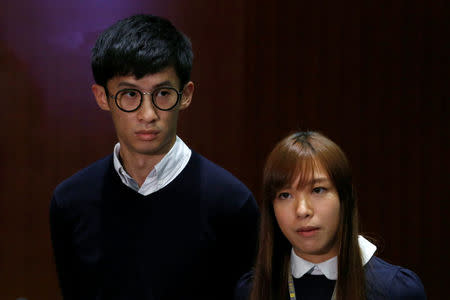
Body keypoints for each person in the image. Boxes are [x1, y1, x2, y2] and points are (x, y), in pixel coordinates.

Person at [49, 14, 259, 300]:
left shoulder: (232, 203)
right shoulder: (71, 202)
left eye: (162, 93)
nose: (148, 115)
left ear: (185, 95)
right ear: (102, 97)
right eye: (129, 95)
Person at [234, 131, 426, 300]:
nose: (302, 210)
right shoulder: (252, 290)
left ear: (344, 198)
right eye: (285, 195)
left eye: (317, 190)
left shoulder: (395, 290)